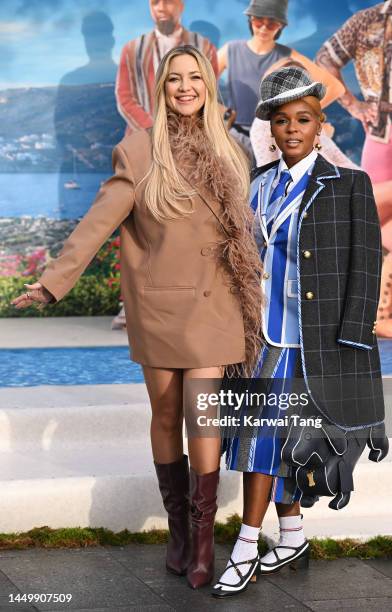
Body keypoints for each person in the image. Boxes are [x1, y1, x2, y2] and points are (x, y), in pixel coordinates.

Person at [11, 45, 263, 590]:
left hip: (217, 305)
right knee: (168, 415)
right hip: (162, 304)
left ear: (209, 85)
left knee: (205, 416)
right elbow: (98, 221)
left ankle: (201, 544)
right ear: (161, 87)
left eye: (195, 77)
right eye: (175, 78)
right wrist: (55, 282)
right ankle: (178, 531)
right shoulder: (140, 152)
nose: (185, 87)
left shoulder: (231, 152)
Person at [212, 66, 387, 598]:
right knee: (263, 437)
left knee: (282, 437)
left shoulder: (350, 184)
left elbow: (367, 262)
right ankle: (289, 533)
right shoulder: (258, 184)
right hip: (262, 338)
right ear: (270, 128)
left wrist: (354, 336)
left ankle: (246, 542)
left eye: (303, 120)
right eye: (281, 121)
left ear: (321, 126)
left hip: (317, 341)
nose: (291, 129)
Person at [251, 58, 392, 339]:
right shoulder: (264, 126)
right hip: (311, 204)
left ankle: (382, 316)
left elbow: (345, 164)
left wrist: (363, 190)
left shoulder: (311, 123)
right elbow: (271, 173)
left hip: (343, 195)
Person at [315, 0, 392, 336]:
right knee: (372, 219)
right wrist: (352, 105)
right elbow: (325, 59)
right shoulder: (367, 21)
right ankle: (365, 309)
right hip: (383, 128)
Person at [217, 0, 344, 161]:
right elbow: (201, 81)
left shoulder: (288, 56)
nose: (263, 28)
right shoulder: (230, 50)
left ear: (280, 26)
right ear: (250, 20)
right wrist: (221, 112)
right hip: (235, 138)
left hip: (274, 139)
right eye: (258, 21)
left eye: (271, 24)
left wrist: (302, 114)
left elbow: (335, 87)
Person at [115, 0, 218, 134]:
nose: (161, 8)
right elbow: (125, 97)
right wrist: (153, 130)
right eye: (155, 3)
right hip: (145, 140)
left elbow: (208, 95)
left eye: (168, 2)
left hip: (190, 140)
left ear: (181, 6)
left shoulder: (205, 48)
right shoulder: (132, 50)